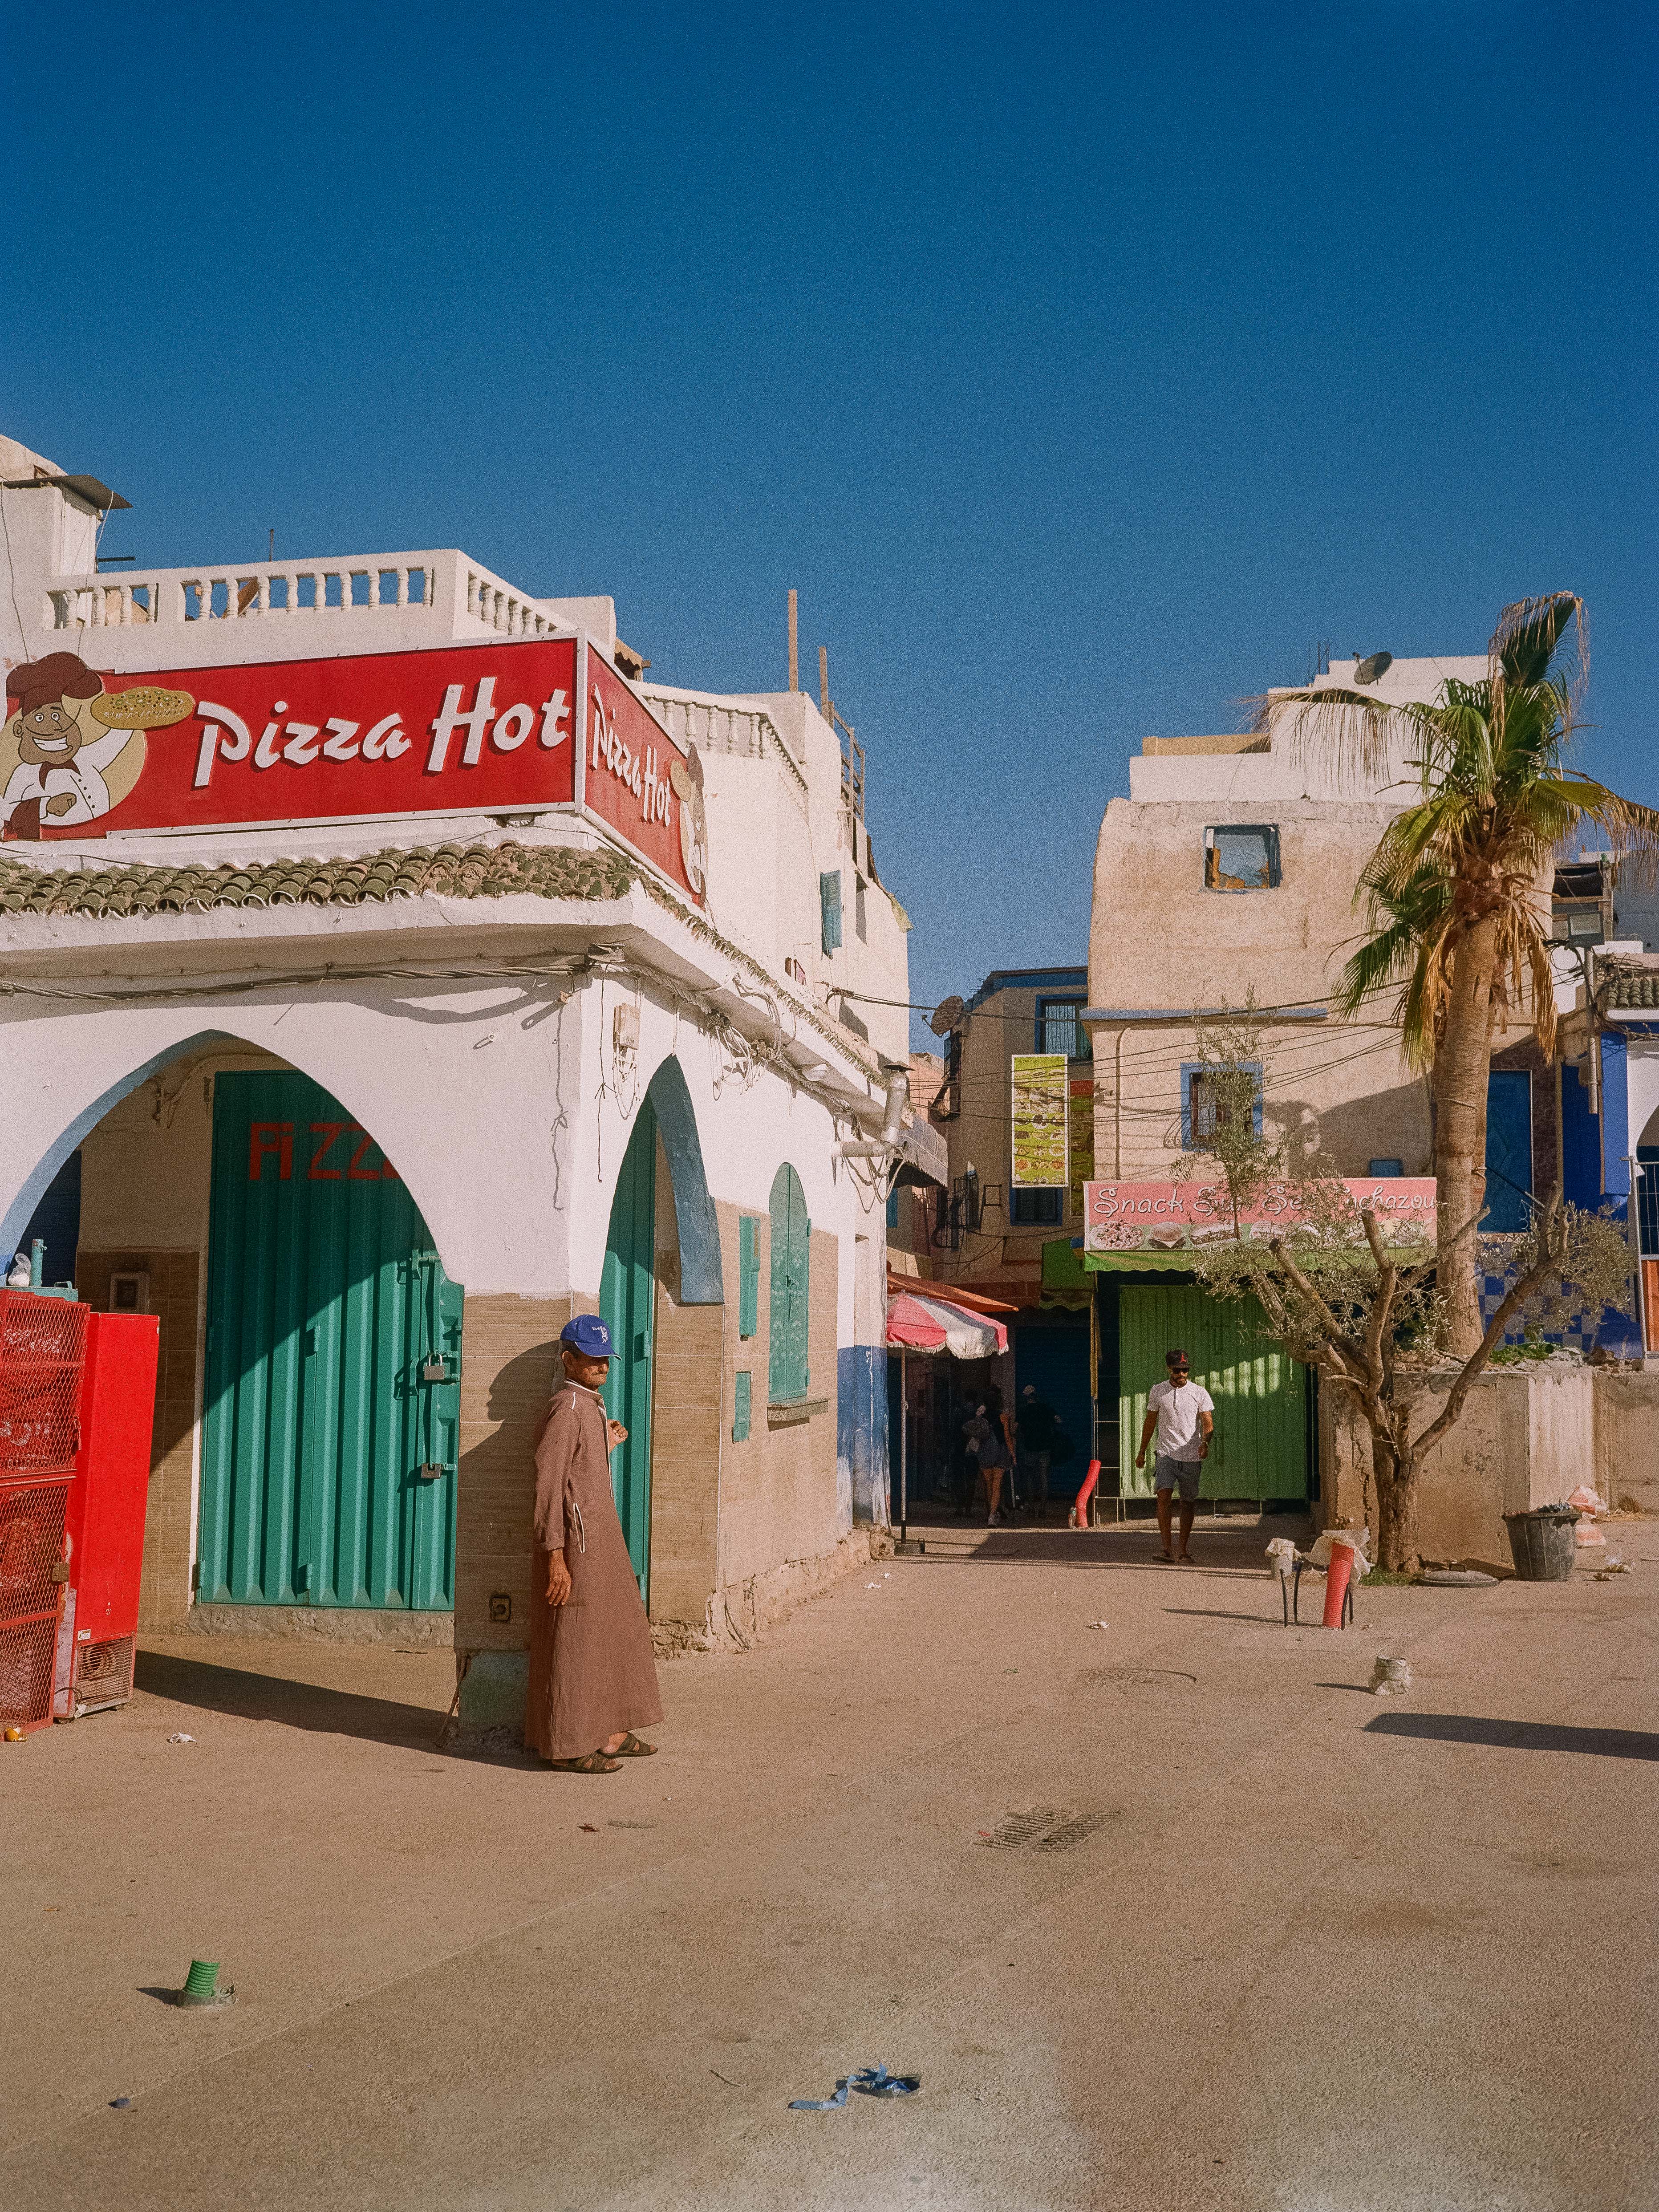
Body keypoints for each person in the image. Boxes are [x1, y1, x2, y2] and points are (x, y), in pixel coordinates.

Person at [526, 1314, 664, 1773]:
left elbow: (577, 1468)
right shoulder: (566, 1407)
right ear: (569, 1359)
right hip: (575, 1544)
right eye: (592, 1358)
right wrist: (555, 1558)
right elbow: (548, 1484)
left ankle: (610, 1733)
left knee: (617, 1627)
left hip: (601, 1537)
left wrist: (603, 1444)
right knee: (578, 1637)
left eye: (606, 1358)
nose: (603, 1366)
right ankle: (567, 1745)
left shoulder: (589, 1405)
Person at [1133, 1348, 1214, 1563]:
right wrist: (1142, 1451)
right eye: (1178, 1370)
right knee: (1164, 1495)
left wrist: (1205, 1443)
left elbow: (1208, 1425)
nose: (1182, 1375)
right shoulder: (1158, 1391)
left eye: (1185, 1370)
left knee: (1187, 1503)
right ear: (1169, 1369)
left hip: (1191, 1457)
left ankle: (1183, 1549)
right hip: (1166, 1454)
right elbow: (1150, 1423)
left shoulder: (1199, 1393)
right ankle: (1166, 1548)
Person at [963, 1385, 1016, 1526]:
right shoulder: (1003, 1416)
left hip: (985, 1452)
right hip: (1000, 1451)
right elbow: (1007, 1436)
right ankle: (993, 1515)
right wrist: (1013, 1454)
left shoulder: (981, 1416)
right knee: (997, 1485)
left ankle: (990, 1512)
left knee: (988, 1485)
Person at [1016, 1383, 1059, 1519]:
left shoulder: (1023, 1411)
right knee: (1044, 1477)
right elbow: (1059, 1420)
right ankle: (1043, 1508)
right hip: (1045, 1448)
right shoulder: (1045, 1408)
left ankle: (1031, 1507)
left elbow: (1014, 1429)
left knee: (1030, 1478)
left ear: (1026, 1397)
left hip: (1029, 1448)